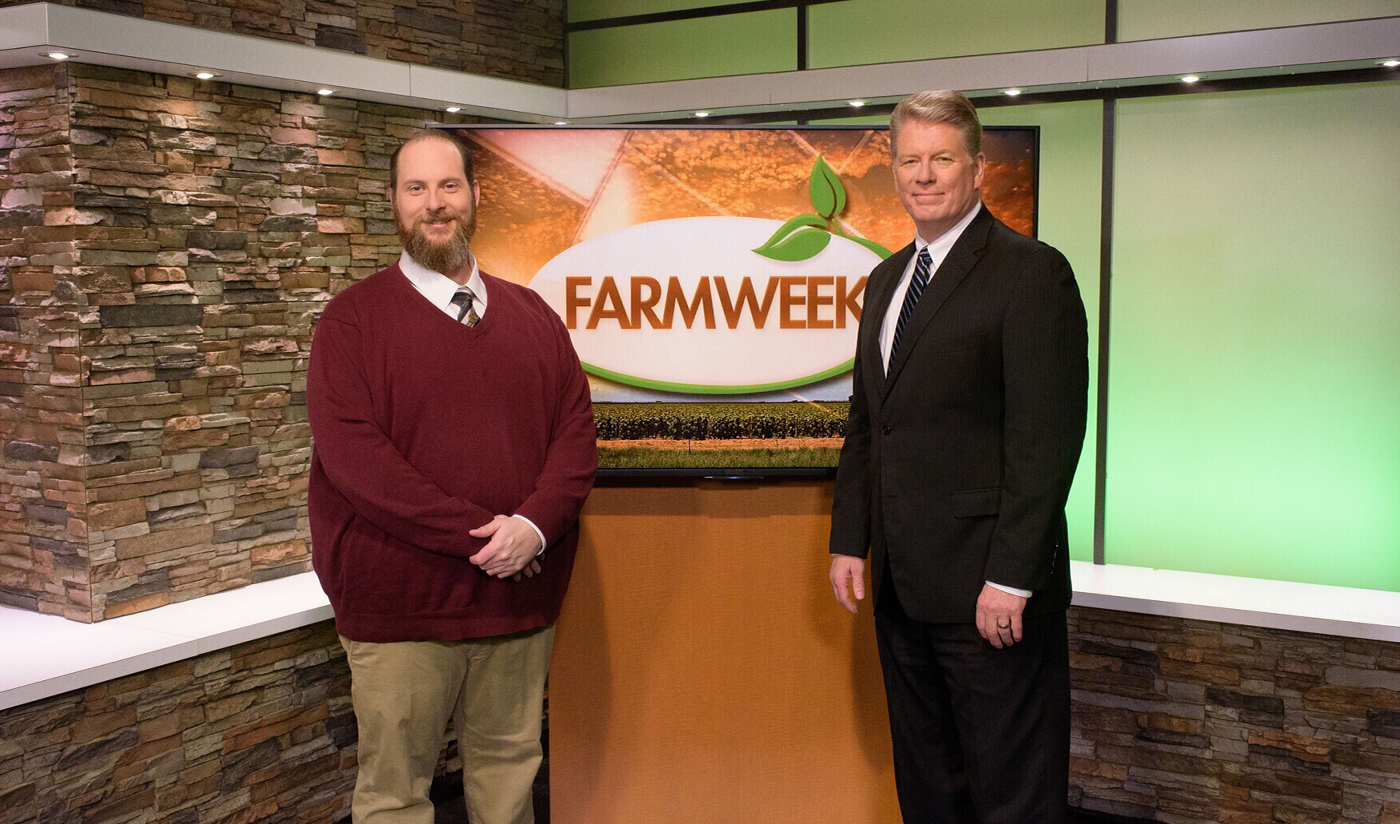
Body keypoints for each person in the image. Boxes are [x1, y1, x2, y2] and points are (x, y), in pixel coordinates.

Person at [307, 130, 597, 824]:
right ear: (394, 204)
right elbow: (359, 464)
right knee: (396, 797)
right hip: (401, 609)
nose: (433, 205)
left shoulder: (534, 317)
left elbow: (575, 437)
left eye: (448, 187)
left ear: (476, 196)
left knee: (508, 784)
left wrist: (531, 528)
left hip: (516, 608)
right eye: (416, 189)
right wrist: (488, 539)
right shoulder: (352, 323)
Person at [828, 90, 1088, 824]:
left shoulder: (1031, 272)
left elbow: (1045, 441)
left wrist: (1011, 576)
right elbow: (870, 425)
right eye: (910, 160)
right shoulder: (886, 282)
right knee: (930, 788)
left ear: (977, 167)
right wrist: (852, 538)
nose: (925, 175)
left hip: (991, 595)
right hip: (903, 589)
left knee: (1012, 796)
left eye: (943, 158)